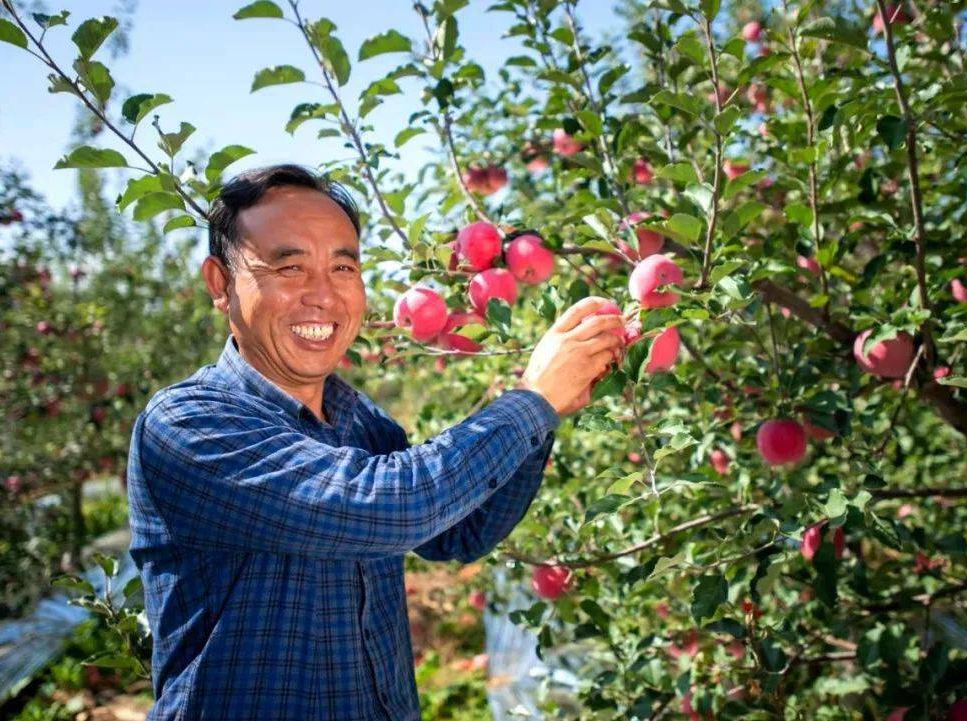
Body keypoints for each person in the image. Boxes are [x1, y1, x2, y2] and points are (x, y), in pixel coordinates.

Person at [126, 164, 626, 720]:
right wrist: (531, 402)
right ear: (221, 285)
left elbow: (459, 535)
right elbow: (388, 506)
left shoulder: (357, 419)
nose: (322, 294)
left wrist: (547, 412)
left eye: (343, 266)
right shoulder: (188, 424)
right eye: (289, 266)